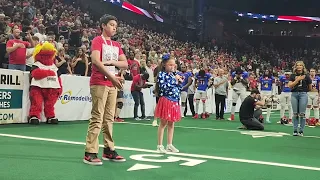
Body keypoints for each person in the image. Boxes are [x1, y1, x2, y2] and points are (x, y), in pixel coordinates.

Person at [83, 14, 128, 165]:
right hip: (99, 82)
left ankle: (109, 149)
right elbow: (95, 61)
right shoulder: (97, 41)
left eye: (115, 25)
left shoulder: (116, 45)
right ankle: (90, 151)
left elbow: (125, 64)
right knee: (97, 117)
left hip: (112, 84)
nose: (114, 27)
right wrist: (111, 76)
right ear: (103, 25)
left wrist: (111, 62)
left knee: (109, 118)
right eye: (111, 24)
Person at [155, 54, 183, 153]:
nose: (172, 67)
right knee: (163, 123)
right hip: (166, 99)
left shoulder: (173, 74)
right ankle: (159, 145)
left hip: (174, 100)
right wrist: (175, 81)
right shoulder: (162, 75)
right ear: (164, 65)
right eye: (170, 65)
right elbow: (164, 87)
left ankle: (169, 144)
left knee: (172, 123)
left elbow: (179, 87)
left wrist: (179, 82)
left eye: (174, 65)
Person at [288, 61, 312, 136]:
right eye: (297, 65)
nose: (299, 66)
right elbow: (290, 85)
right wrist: (297, 80)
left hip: (303, 94)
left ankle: (301, 130)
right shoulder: (292, 75)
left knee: (302, 113)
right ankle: (295, 130)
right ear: (295, 66)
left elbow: (310, 87)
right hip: (294, 94)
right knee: (295, 113)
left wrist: (304, 91)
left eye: (300, 65)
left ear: (303, 66)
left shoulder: (307, 76)